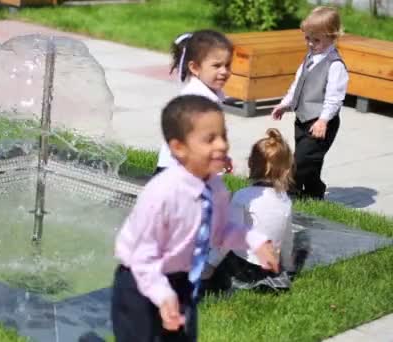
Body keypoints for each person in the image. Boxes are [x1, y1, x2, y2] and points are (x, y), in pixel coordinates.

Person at [111, 95, 280, 342]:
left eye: (223, 135)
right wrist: (162, 295)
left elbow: (219, 231)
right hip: (139, 282)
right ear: (179, 148)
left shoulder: (216, 188)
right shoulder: (162, 195)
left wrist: (254, 240)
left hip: (181, 280)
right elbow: (142, 257)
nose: (222, 145)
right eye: (210, 139)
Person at [201, 128, 296, 293]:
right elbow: (287, 239)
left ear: (251, 164)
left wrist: (210, 265)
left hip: (243, 269)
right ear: (286, 170)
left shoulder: (243, 196)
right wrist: (287, 266)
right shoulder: (285, 200)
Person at [271, 6, 348, 200]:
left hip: (322, 123)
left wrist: (323, 120)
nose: (311, 44)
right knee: (310, 161)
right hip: (303, 119)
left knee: (301, 161)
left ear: (332, 37)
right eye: (307, 38)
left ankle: (289, 194)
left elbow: (334, 97)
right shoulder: (310, 57)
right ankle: (314, 193)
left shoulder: (335, 65)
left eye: (316, 40)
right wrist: (286, 103)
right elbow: (298, 83)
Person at [155, 29, 234, 176]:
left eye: (227, 65)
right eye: (216, 66)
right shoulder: (196, 100)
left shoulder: (211, 94)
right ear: (195, 68)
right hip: (175, 172)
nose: (224, 71)